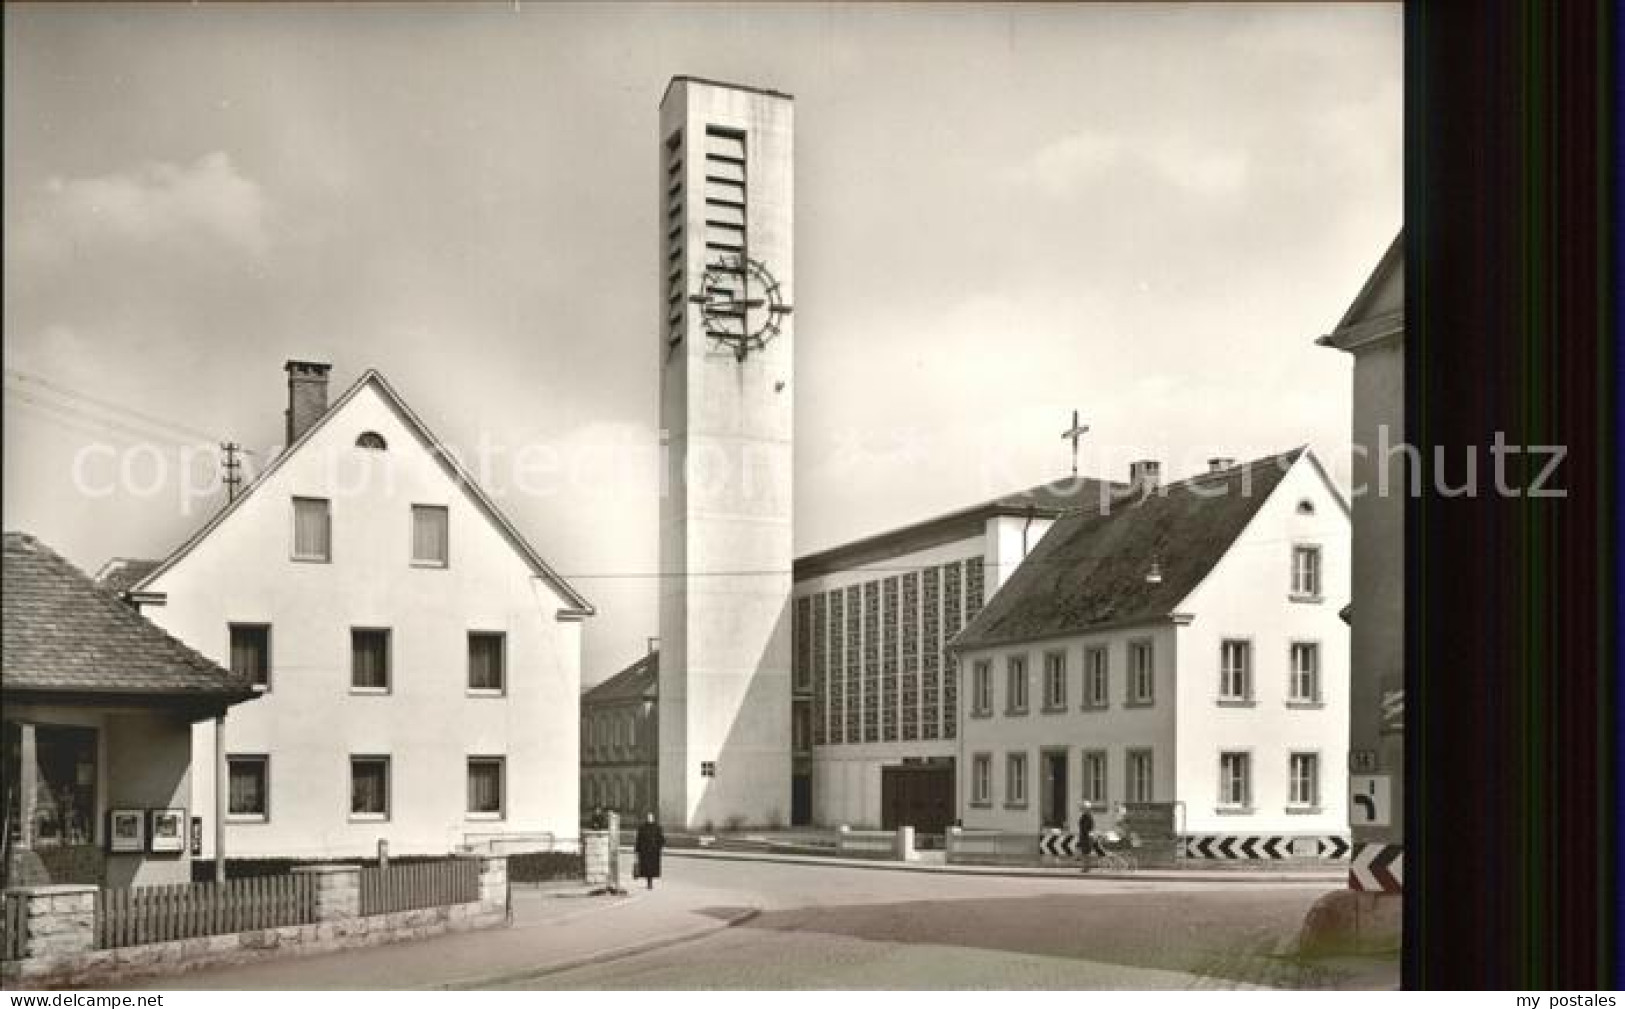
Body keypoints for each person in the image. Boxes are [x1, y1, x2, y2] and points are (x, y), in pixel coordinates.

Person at [634, 812, 665, 890]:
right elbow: (639, 839)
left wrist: (658, 847)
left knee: (652, 868)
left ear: (653, 818)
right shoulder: (642, 828)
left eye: (650, 817)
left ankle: (650, 882)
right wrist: (637, 850)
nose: (649, 819)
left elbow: (661, 839)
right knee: (646, 868)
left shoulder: (657, 828)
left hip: (654, 852)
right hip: (644, 851)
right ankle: (648, 882)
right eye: (648, 817)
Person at [1077, 803, 1096, 873]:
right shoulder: (1084, 816)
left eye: (1084, 808)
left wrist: (1089, 835)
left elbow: (1089, 827)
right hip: (1083, 836)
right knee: (1084, 852)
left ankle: (1087, 867)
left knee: (1087, 852)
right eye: (1083, 808)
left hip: (1087, 836)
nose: (1083, 810)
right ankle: (1085, 867)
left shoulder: (1088, 817)